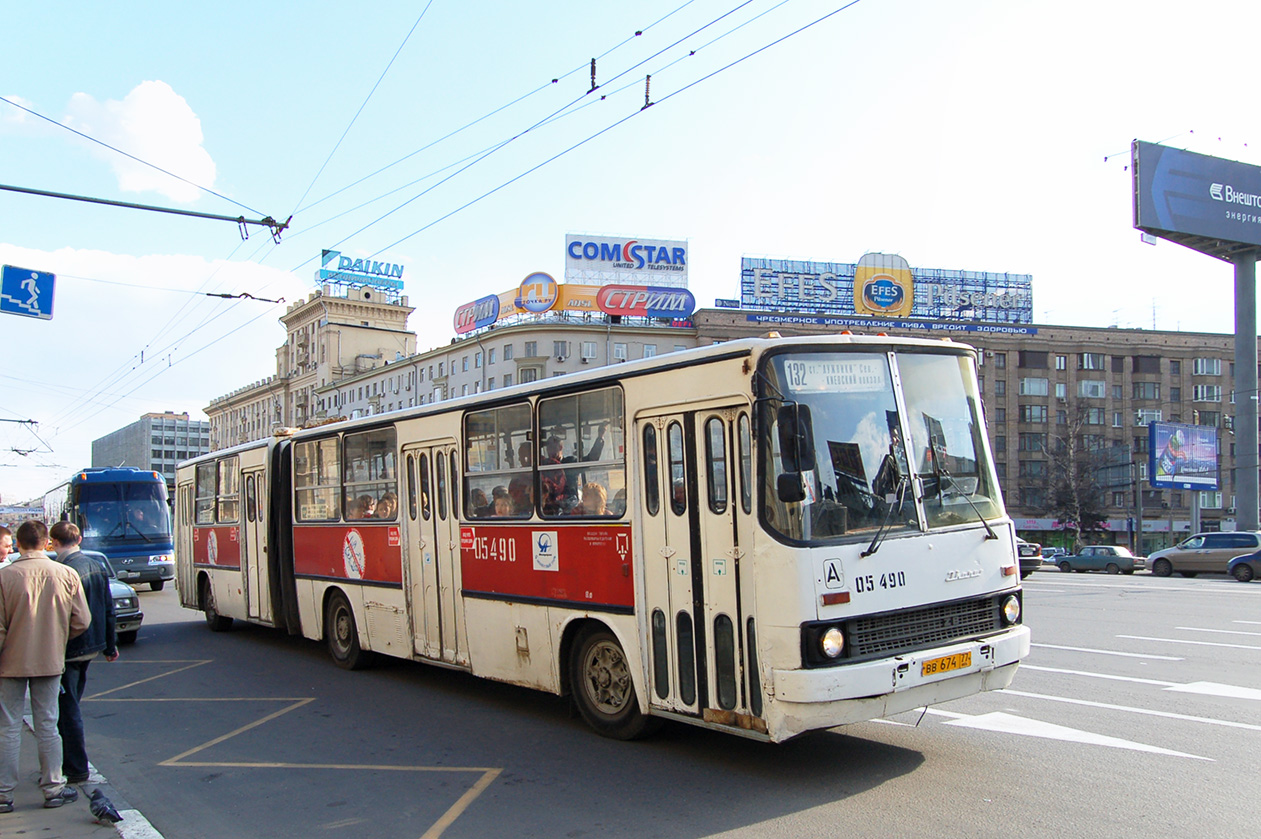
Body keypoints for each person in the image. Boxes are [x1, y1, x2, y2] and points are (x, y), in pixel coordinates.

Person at [0, 520, 91, 811]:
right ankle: (53, 788)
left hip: (10, 663)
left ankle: (3, 793)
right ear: (46, 543)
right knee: (48, 725)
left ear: (18, 544)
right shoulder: (66, 574)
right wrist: (58, 637)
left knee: (8, 727)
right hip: (50, 660)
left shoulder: (5, 577)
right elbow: (82, 621)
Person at [49, 522, 118, 785]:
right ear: (79, 538)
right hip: (91, 646)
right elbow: (108, 609)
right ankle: (68, 763)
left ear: (54, 542)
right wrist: (110, 646)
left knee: (68, 710)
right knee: (71, 704)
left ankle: (75, 768)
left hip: (69, 647)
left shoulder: (63, 571)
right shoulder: (96, 567)